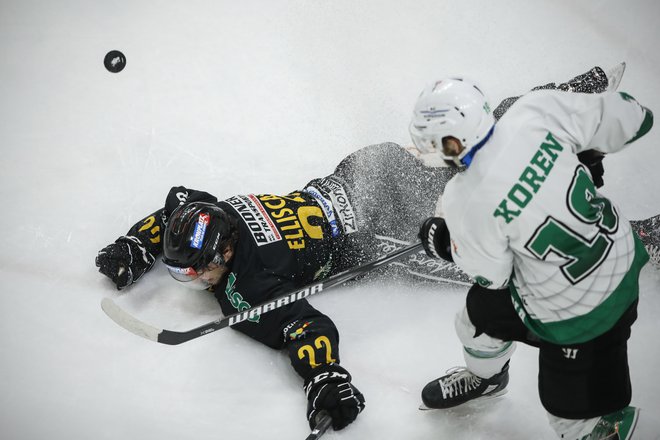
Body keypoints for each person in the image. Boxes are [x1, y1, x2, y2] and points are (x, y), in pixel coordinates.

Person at [96, 64, 657, 435]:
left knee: (483, 256)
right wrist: (135, 245)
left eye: (196, 271)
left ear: (218, 257)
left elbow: (304, 329)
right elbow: (178, 207)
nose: (200, 279)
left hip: (382, 229)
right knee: (493, 137)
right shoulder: (218, 211)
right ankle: (580, 87)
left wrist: (324, 377)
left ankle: (643, 236)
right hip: (367, 169)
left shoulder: (247, 286)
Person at [413, 69, 656, 438]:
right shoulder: (533, 111)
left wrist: (449, 245)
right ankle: (487, 379)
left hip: (574, 316)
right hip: (622, 261)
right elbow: (636, 119)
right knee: (476, 317)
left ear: (446, 145)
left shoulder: (463, 201)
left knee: (576, 424)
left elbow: (494, 277)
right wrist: (587, 151)